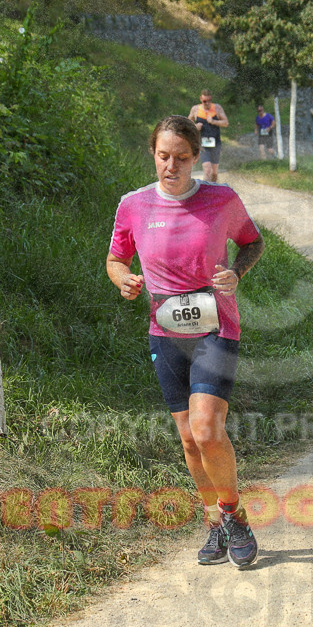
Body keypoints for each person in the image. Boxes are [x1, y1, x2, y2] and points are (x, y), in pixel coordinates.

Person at [107, 115, 265, 566]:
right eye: (163, 156)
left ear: (196, 157)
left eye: (181, 158)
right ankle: (214, 523)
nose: (170, 166)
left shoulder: (221, 199)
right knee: (189, 440)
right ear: (152, 154)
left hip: (216, 327)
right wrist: (124, 279)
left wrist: (236, 271)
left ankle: (234, 516)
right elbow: (115, 258)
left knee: (206, 428)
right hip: (166, 333)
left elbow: (253, 243)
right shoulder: (133, 204)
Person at [188, 89, 229, 182]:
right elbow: (187, 124)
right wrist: (195, 126)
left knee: (214, 172)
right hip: (202, 143)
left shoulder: (217, 108)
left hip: (216, 142)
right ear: (200, 99)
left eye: (209, 101)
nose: (207, 103)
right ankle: (206, 192)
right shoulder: (195, 109)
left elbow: (226, 123)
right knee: (207, 169)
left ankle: (214, 190)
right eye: (204, 101)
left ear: (211, 99)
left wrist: (214, 121)